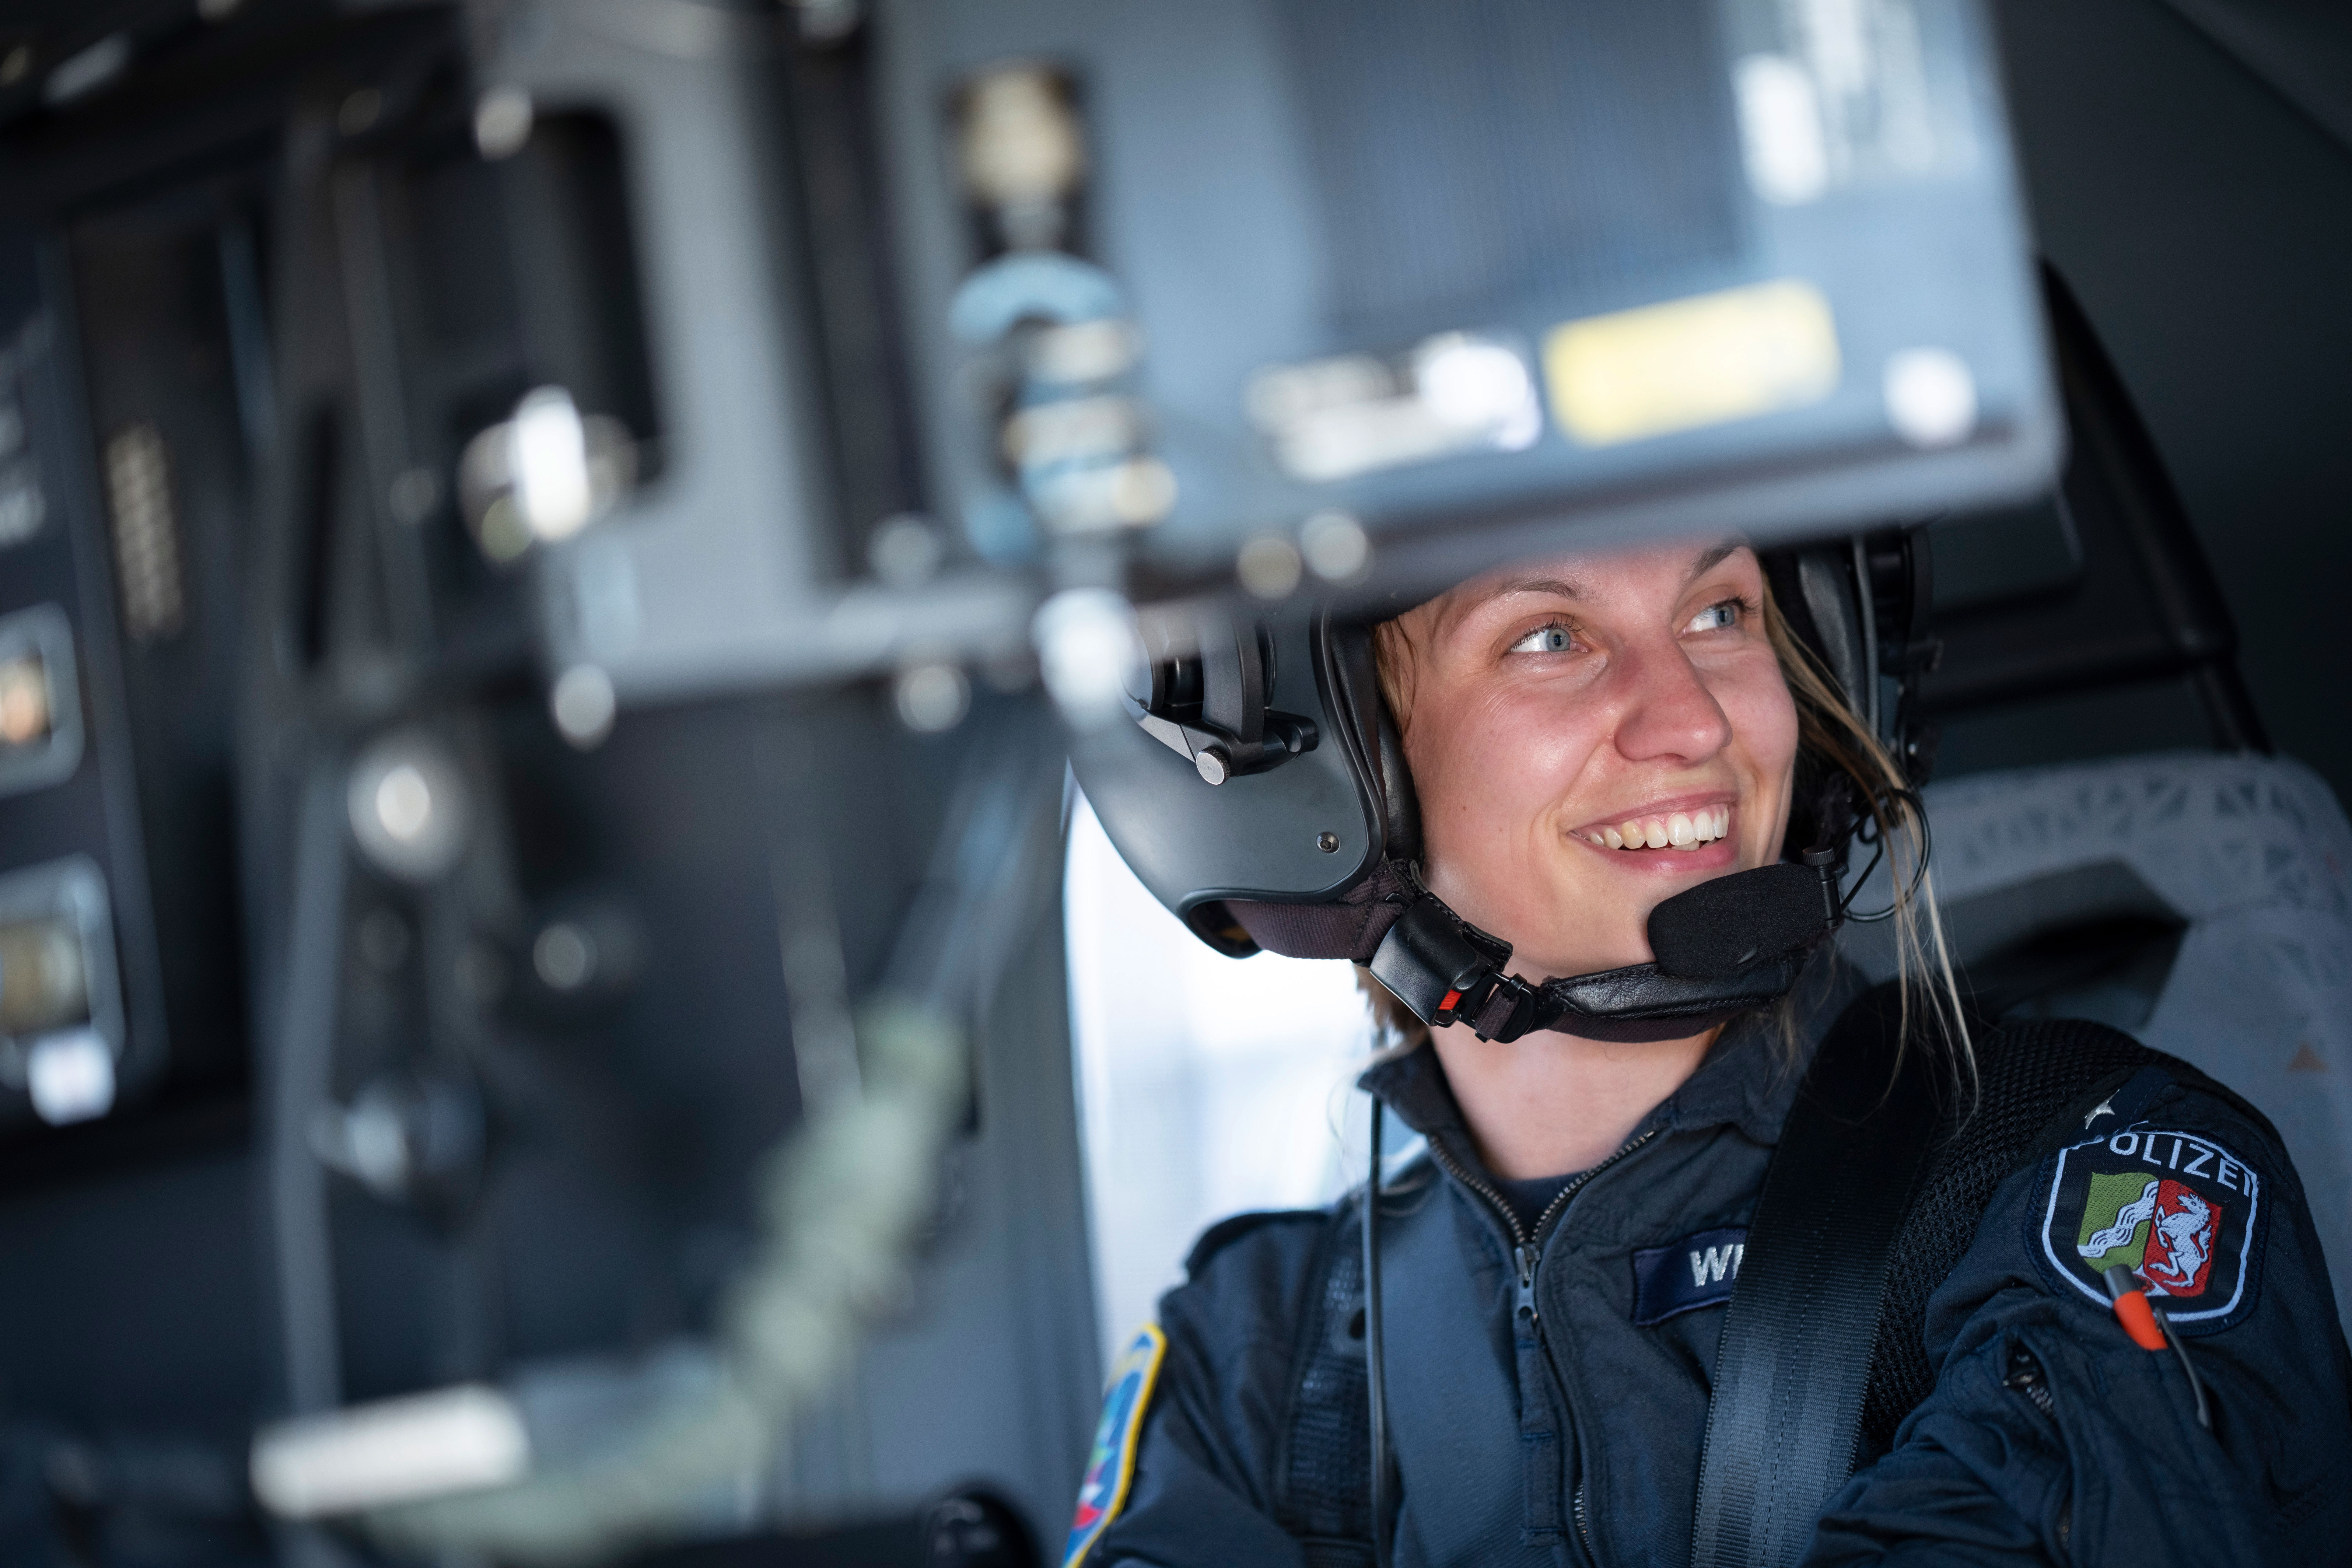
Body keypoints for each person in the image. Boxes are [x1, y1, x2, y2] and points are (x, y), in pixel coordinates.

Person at [1066, 537, 2352, 1568]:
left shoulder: (2093, 1178)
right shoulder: (1259, 1353)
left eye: (1722, 612)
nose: (1689, 719)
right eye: (1550, 637)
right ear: (1338, 784)